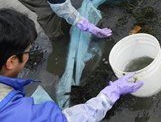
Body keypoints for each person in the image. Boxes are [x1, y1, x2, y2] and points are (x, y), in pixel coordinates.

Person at [0, 8, 143, 122]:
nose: (28, 55)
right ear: (11, 62)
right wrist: (110, 94)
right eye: (27, 51)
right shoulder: (16, 113)